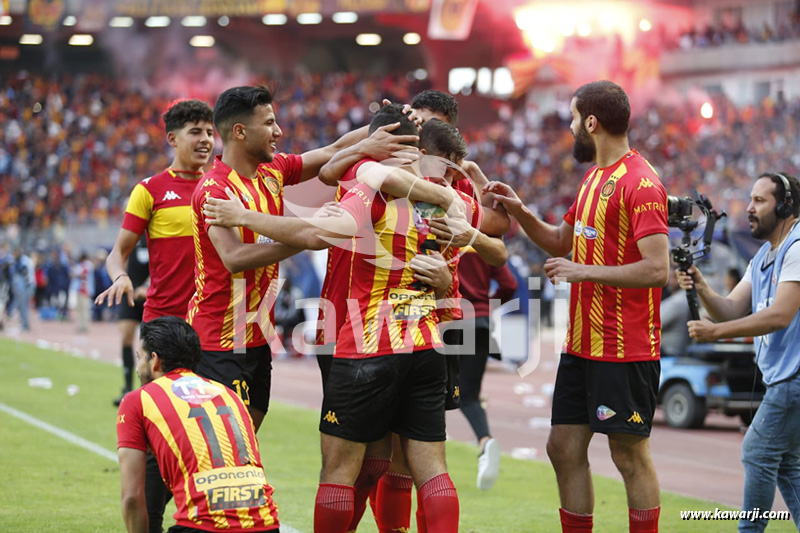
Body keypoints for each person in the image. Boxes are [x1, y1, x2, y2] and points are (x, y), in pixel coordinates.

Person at [202, 105, 467, 533]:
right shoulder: (440, 199)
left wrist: (244, 216)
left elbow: (329, 229)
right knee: (430, 469)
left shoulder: (370, 181)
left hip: (367, 344)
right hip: (424, 343)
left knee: (340, 471)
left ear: (383, 146)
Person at [486, 80, 669, 532]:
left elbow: (657, 269)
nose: (569, 127)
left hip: (624, 349)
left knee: (628, 455)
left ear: (591, 122)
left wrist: (584, 271)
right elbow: (559, 241)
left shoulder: (642, 183)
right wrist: (519, 210)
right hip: (582, 346)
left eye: (572, 117)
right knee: (563, 448)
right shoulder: (592, 179)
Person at [188, 86, 416, 433]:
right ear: (240, 131)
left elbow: (333, 151)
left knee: (245, 438)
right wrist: (305, 237)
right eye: (269, 123)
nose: (278, 131)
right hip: (217, 340)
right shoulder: (215, 191)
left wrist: (385, 123)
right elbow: (234, 257)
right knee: (223, 447)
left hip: (256, 336)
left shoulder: (272, 171)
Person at [96, 99, 216, 533]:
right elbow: (118, 253)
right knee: (156, 431)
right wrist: (121, 276)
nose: (206, 140)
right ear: (172, 138)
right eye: (196, 132)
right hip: (164, 327)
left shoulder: (223, 186)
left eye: (210, 132)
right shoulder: (150, 190)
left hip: (213, 327)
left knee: (210, 430)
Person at [677, 172, 800, 532]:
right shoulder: (762, 255)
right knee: (786, 465)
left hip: (793, 379)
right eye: (750, 199)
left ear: (786, 206)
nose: (749, 208)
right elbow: (730, 309)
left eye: (760, 200)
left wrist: (715, 332)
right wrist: (702, 287)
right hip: (785, 378)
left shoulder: (797, 247)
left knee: (757, 452)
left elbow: (779, 315)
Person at [116, 316, 280, 533]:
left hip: (203, 527)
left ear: (154, 360)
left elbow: (132, 498)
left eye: (139, 357)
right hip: (266, 526)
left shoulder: (137, 399)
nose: (138, 367)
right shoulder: (229, 394)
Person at [456, 250, 518, 490]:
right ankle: (485, 441)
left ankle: (428, 463)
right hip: (480, 324)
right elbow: (509, 284)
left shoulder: (442, 235)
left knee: (433, 393)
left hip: (450, 321)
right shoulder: (486, 243)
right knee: (469, 396)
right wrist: (487, 306)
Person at [113, 236, 150, 407]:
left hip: (152, 293)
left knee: (148, 344)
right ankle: (127, 388)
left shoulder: (158, 232)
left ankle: (148, 390)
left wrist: (148, 286)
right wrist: (120, 278)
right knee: (126, 337)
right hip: (130, 291)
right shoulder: (131, 235)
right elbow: (118, 257)